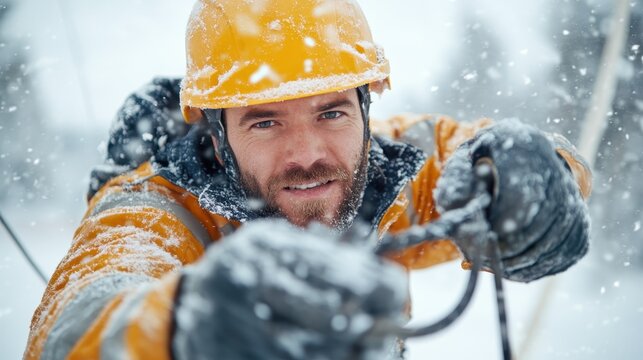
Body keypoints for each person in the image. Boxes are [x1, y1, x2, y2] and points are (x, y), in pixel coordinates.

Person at [25, 0, 592, 359]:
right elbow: (76, 326)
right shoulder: (154, 208)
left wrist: (544, 179)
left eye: (332, 111)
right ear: (217, 136)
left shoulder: (378, 174)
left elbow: (492, 154)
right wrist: (182, 328)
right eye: (265, 120)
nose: (308, 155)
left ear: (367, 112)